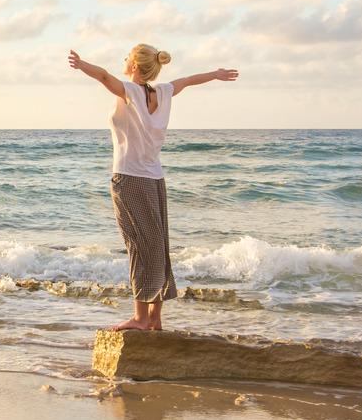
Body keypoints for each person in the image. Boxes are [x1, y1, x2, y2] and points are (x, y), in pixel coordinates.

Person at [68, 44, 238, 331]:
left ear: (135, 66)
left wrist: (83, 65)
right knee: (157, 246)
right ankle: (155, 317)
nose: (124, 61)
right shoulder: (164, 92)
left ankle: (140, 318)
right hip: (155, 179)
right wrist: (216, 74)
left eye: (127, 58)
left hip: (129, 179)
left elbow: (105, 77)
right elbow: (188, 80)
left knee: (139, 247)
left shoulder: (131, 91)